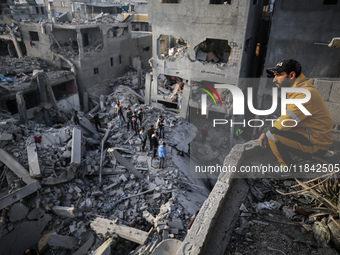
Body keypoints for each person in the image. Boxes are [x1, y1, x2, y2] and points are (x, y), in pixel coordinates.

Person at [258, 59, 333, 167]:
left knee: (271, 133)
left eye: (279, 75)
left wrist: (266, 131)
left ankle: (288, 170)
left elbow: (284, 123)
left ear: (292, 75)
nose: (274, 79)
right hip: (311, 139)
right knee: (268, 130)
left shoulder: (304, 95)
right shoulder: (297, 92)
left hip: (316, 147)